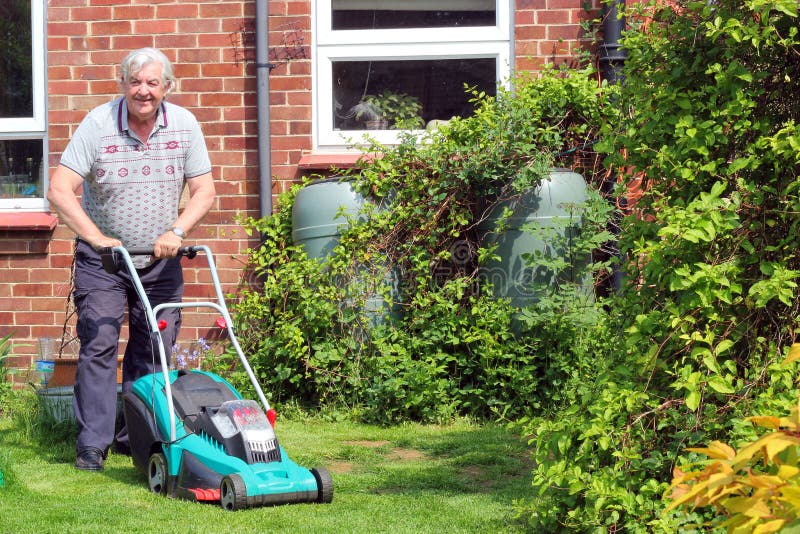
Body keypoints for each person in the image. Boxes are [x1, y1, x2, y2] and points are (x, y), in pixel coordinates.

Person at [47, 47, 216, 471]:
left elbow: (205, 191)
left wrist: (177, 233)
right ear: (123, 83)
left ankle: (136, 438)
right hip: (103, 260)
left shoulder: (184, 125)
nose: (143, 91)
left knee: (153, 348)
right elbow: (59, 190)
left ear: (167, 88)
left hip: (160, 258)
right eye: (135, 81)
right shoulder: (99, 124)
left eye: (152, 82)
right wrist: (97, 238)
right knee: (100, 344)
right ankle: (92, 446)